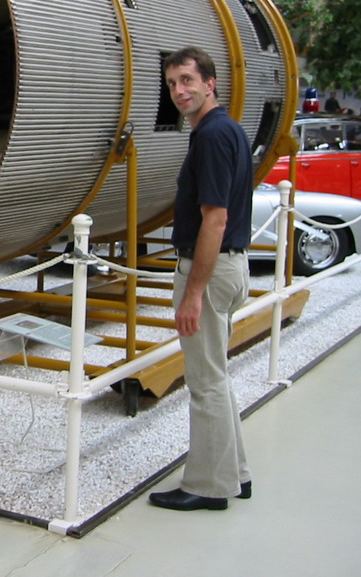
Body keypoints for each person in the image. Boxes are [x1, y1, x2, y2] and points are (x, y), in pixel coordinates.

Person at [149, 46, 253, 512]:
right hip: (230, 266)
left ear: (210, 83)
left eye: (188, 80)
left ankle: (209, 487)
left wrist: (193, 293)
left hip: (209, 271)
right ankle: (235, 474)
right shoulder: (227, 130)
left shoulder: (211, 136)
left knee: (205, 382)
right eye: (172, 83)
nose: (179, 91)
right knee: (217, 376)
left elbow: (215, 219)